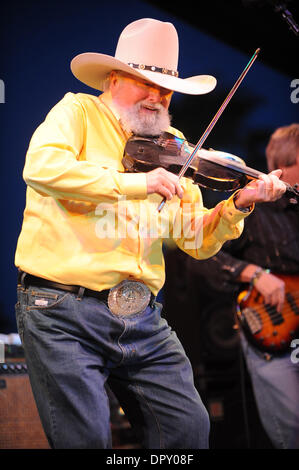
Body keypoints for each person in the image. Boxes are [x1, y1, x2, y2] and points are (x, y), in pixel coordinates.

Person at [14, 18, 286, 449]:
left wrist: (238, 204)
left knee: (189, 430)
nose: (158, 96)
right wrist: (140, 183)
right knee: (83, 439)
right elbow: (42, 170)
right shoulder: (77, 112)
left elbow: (194, 240)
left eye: (165, 87)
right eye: (146, 82)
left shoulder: (175, 144)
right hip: (63, 309)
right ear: (115, 78)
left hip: (141, 316)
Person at [186, 123, 299, 449]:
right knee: (290, 428)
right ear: (287, 159)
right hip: (271, 333)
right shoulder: (253, 207)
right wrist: (252, 273)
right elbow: (201, 256)